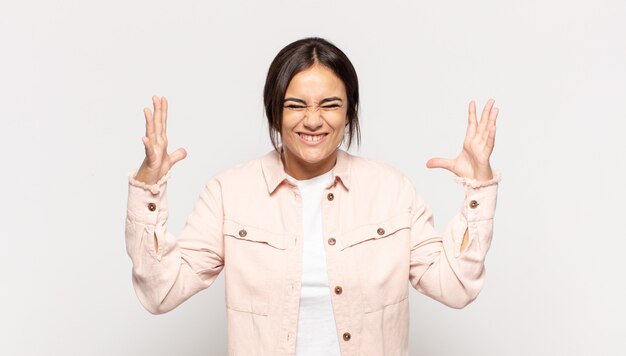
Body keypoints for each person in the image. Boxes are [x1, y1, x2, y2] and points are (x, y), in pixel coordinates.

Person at [125, 37, 502, 356]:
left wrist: (476, 192)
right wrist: (149, 190)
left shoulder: (391, 190)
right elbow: (161, 292)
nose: (313, 120)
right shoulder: (229, 192)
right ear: (275, 112)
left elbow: (454, 287)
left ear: (350, 111)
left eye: (330, 104)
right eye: (296, 105)